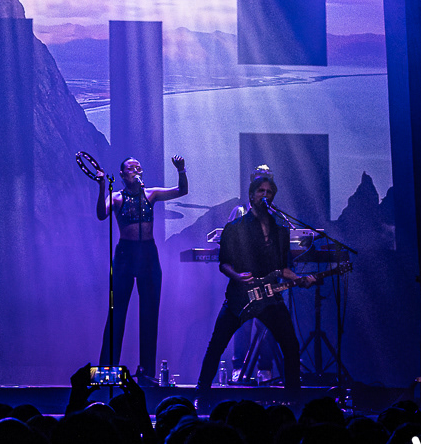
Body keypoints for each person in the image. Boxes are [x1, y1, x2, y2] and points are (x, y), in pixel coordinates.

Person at [194, 166, 321, 394]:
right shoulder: (235, 228)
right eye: (261, 191)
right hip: (239, 298)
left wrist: (300, 279)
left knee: (291, 345)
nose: (265, 195)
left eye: (269, 192)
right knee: (217, 345)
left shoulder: (280, 231)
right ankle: (201, 393)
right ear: (252, 195)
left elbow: (283, 268)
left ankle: (293, 397)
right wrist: (237, 276)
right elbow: (224, 263)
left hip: (269, 298)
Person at [96, 154, 187, 384]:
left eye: (139, 167)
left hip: (148, 254)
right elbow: (101, 214)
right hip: (125, 255)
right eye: (131, 168)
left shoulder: (151, 194)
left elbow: (181, 191)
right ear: (122, 174)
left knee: (149, 313)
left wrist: (181, 170)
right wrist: (101, 186)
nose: (136, 170)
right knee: (116, 312)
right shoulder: (116, 197)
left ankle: (147, 374)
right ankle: (107, 374)